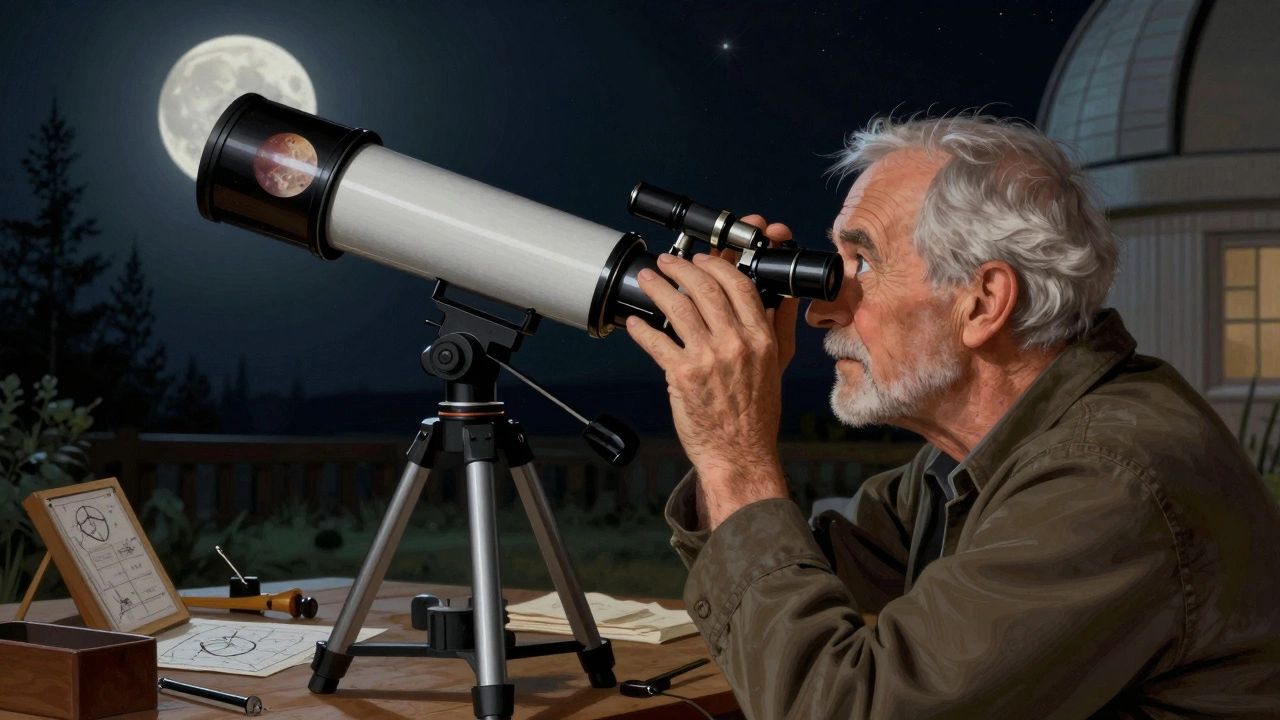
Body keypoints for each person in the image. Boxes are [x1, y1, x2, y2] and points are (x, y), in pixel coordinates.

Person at [624, 115, 1280, 719]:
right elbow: (799, 574)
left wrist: (732, 454)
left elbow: (845, 706)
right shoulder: (983, 453)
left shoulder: (1104, 481)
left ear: (982, 301)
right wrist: (727, 405)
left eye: (861, 263)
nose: (823, 309)